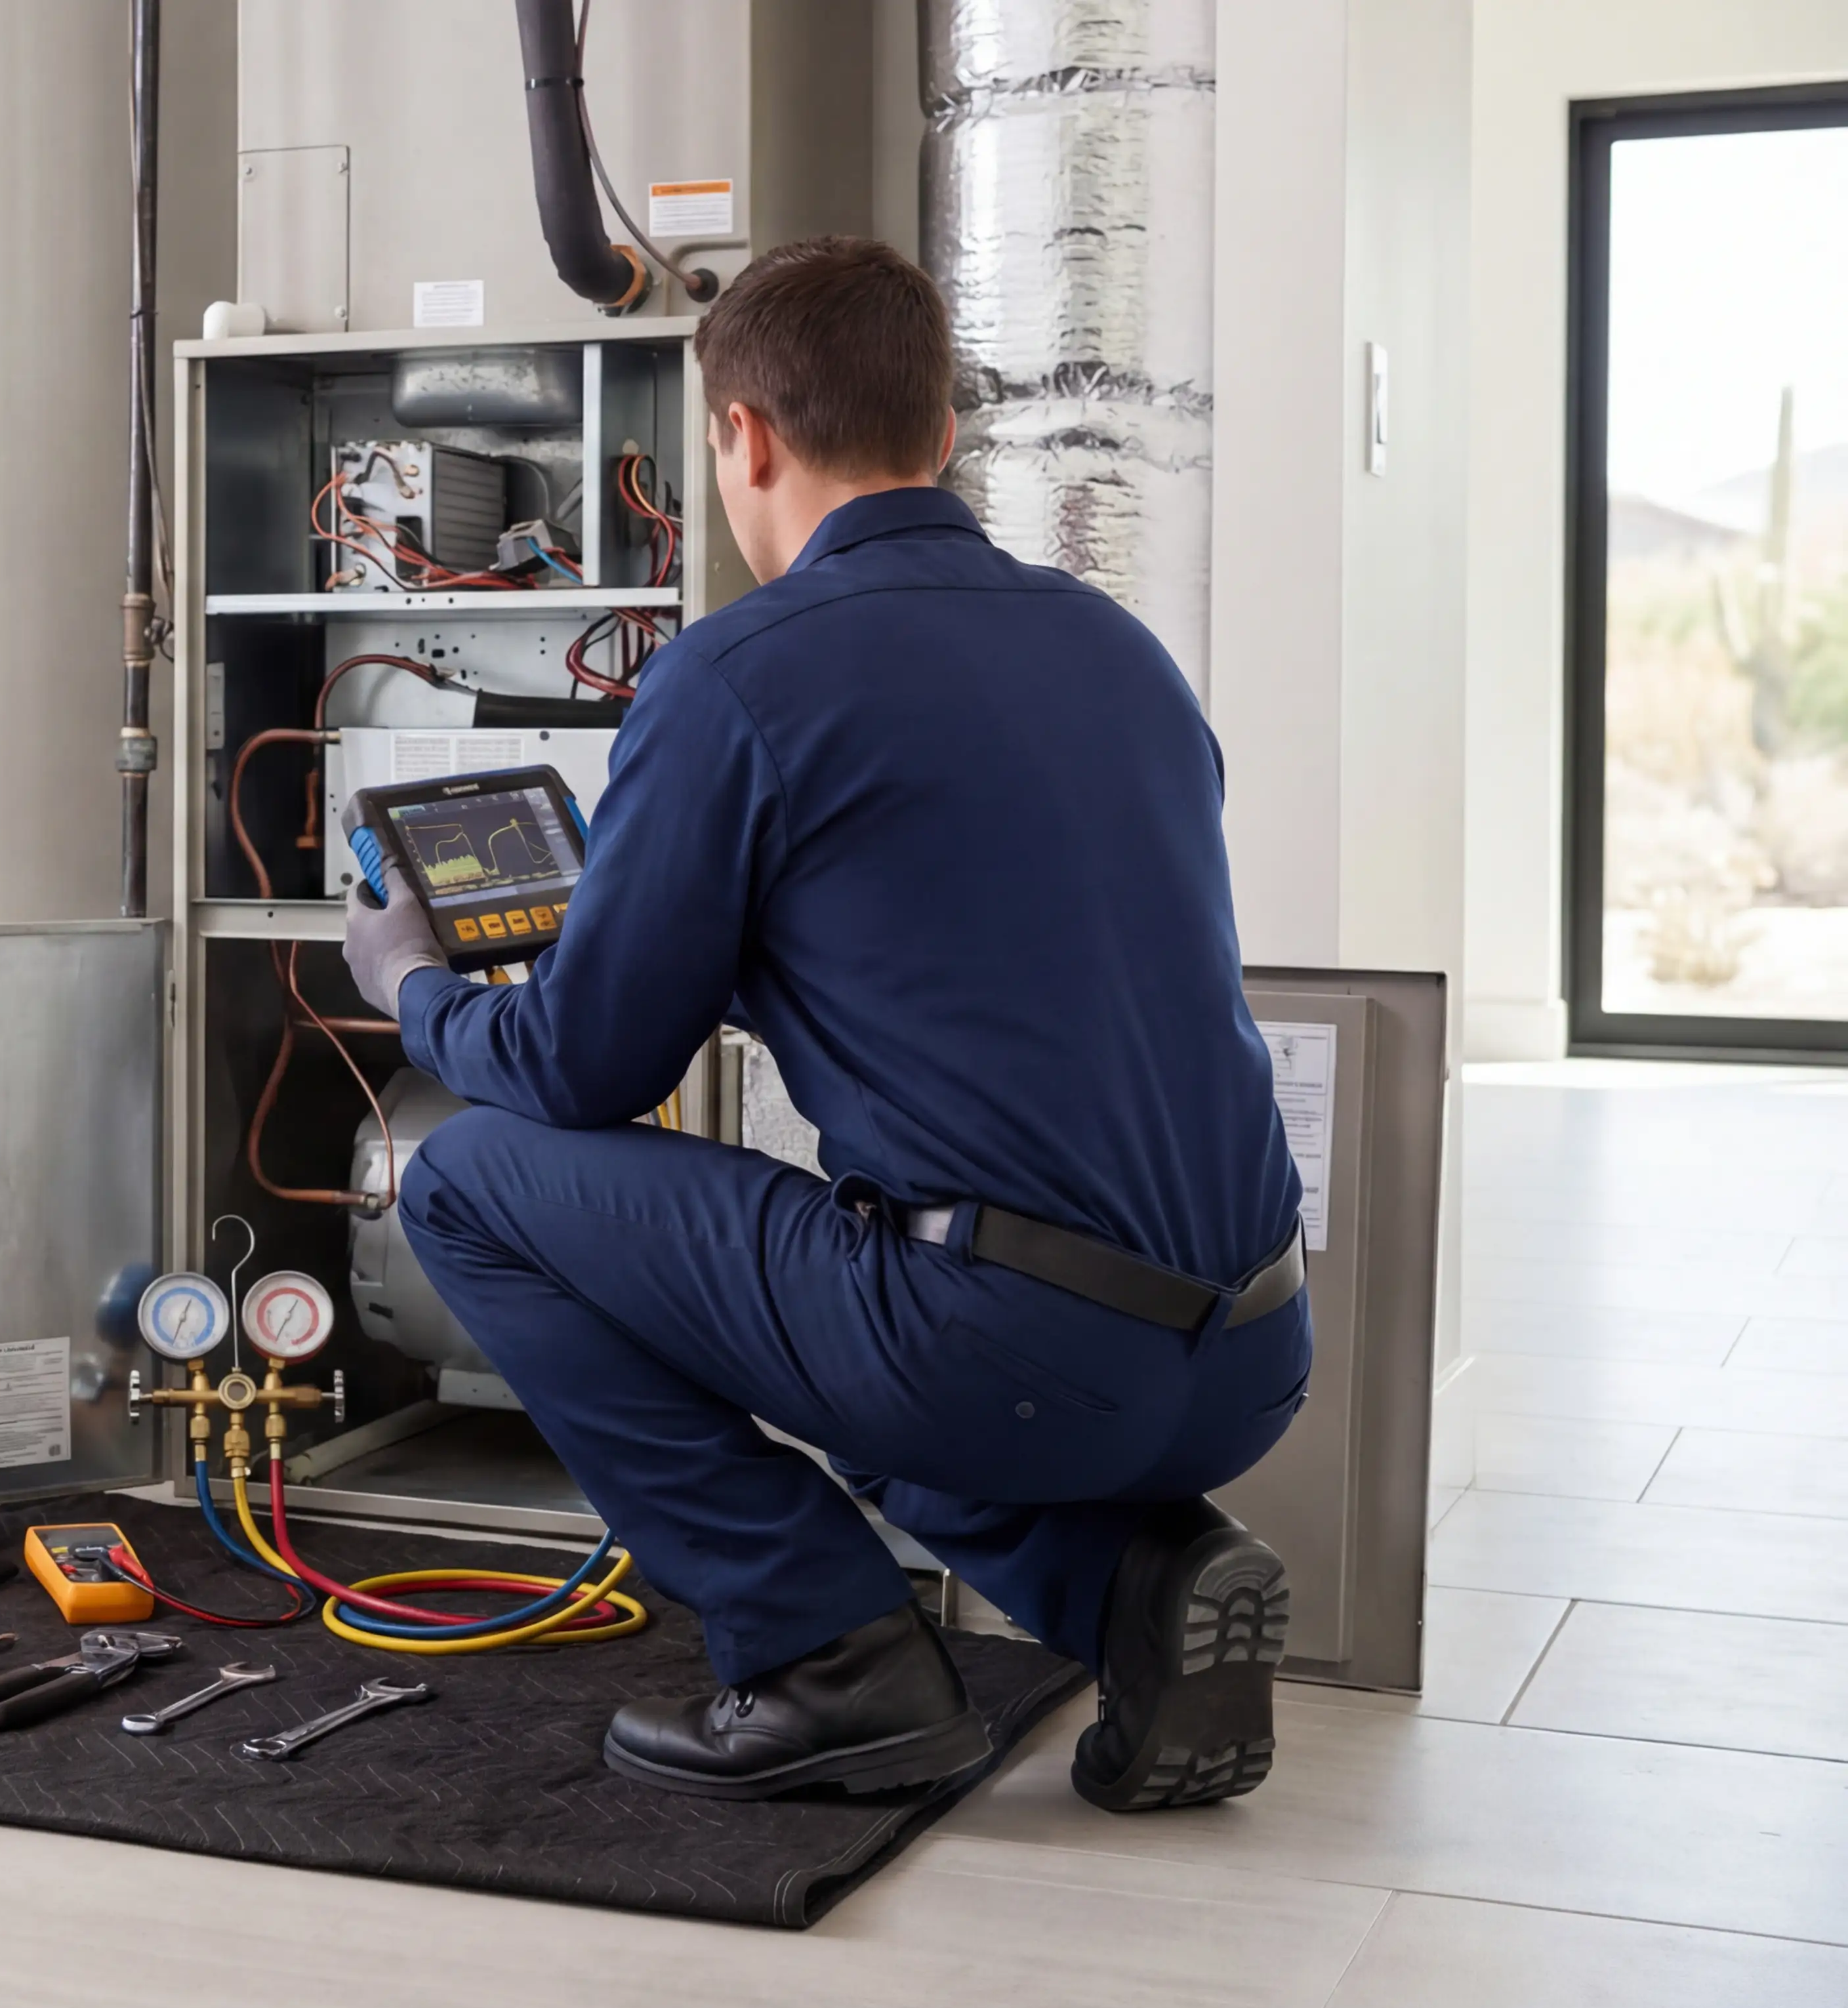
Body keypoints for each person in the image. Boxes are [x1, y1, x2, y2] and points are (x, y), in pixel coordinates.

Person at [340, 236, 1310, 1811]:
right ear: (941, 434)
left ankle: (826, 1662)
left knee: (465, 1180)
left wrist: (416, 988)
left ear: (742, 436)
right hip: (1250, 1348)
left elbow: (585, 1070)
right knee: (873, 1280)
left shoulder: (738, 676)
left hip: (1010, 1351)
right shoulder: (1116, 650)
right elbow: (976, 955)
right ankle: (1133, 1586)